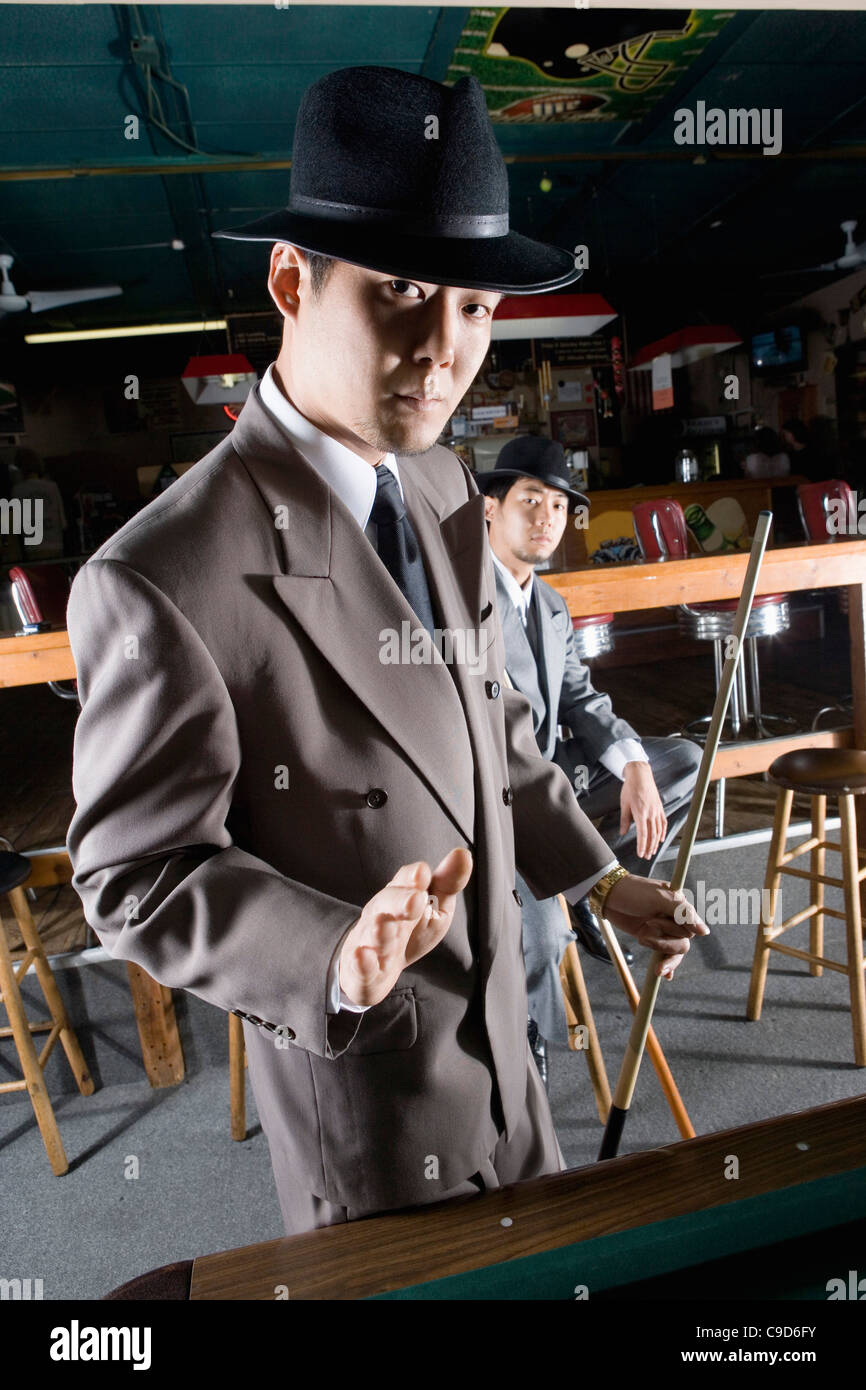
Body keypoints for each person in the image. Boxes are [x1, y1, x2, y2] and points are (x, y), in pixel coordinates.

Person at [66, 66, 707, 1238]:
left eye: (470, 305)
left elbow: (494, 722)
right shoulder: (159, 577)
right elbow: (133, 874)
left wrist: (597, 877)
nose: (441, 347)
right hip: (378, 1108)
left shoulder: (439, 478)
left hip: (514, 1070)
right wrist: (333, 958)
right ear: (290, 280)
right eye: (402, 288)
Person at [477, 437, 703, 1079]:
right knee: (543, 938)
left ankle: (598, 891)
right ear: (490, 508)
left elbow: (579, 695)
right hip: (502, 803)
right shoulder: (459, 600)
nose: (547, 516)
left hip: (562, 777)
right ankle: (531, 1039)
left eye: (557, 504)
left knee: (680, 762)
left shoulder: (549, 603)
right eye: (530, 500)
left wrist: (631, 762)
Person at [10, 447, 67, 559]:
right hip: (56, 543)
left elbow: (15, 526)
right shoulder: (52, 487)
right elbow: (63, 522)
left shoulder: (17, 490)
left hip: (33, 546)